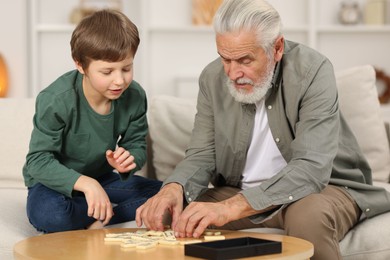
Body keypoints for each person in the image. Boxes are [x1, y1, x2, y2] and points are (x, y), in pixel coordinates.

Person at [135, 0, 390, 259]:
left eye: (245, 60)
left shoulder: (313, 70)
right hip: (239, 191)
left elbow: (311, 167)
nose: (233, 73)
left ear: (276, 48)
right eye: (225, 59)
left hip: (319, 190)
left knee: (308, 216)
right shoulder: (211, 79)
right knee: (175, 214)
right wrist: (174, 187)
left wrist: (231, 208)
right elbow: (202, 153)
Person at [23, 9, 162, 233]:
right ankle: (97, 211)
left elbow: (137, 146)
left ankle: (92, 212)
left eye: (126, 68)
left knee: (170, 195)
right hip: (52, 184)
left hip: (103, 178)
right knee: (51, 214)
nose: (119, 80)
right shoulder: (56, 99)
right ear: (80, 64)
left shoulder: (135, 95)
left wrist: (128, 160)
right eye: (107, 72)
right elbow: (37, 161)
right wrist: (87, 184)